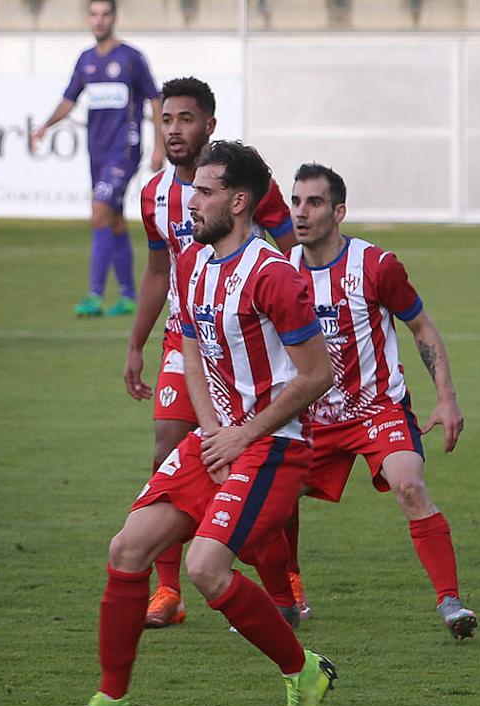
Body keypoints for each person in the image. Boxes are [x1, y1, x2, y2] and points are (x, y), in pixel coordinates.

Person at [45, 141, 338, 706]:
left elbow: (317, 374)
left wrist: (242, 435)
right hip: (220, 439)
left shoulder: (273, 275)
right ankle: (110, 703)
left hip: (275, 444)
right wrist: (211, 435)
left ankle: (303, 671)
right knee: (127, 548)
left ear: (239, 201)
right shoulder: (193, 263)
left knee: (205, 567)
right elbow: (191, 350)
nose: (191, 202)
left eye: (204, 192)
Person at [125, 77, 299, 628]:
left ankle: (285, 576)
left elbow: (291, 254)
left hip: (245, 333)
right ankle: (168, 590)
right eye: (166, 120)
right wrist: (136, 343)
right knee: (168, 441)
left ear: (208, 125)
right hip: (187, 335)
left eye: (185, 119)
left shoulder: (244, 182)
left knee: (263, 451)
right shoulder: (153, 195)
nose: (174, 130)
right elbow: (157, 271)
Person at [282, 162, 476, 638]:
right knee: (273, 497)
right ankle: (288, 595)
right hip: (313, 417)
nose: (301, 213)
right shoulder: (282, 272)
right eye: (296, 201)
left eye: (314, 202)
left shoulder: (375, 265)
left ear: (339, 212)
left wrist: (446, 398)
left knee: (409, 485)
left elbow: (421, 326)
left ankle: (451, 602)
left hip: (377, 409)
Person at [32, 0, 163, 317]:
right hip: (98, 151)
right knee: (114, 218)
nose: (99, 20)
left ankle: (94, 295)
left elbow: (155, 99)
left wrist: (159, 146)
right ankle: (128, 296)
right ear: (89, 19)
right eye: (94, 15)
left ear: (114, 18)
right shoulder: (86, 60)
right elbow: (69, 100)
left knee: (99, 212)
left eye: (105, 14)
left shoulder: (131, 58)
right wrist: (46, 126)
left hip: (125, 149)